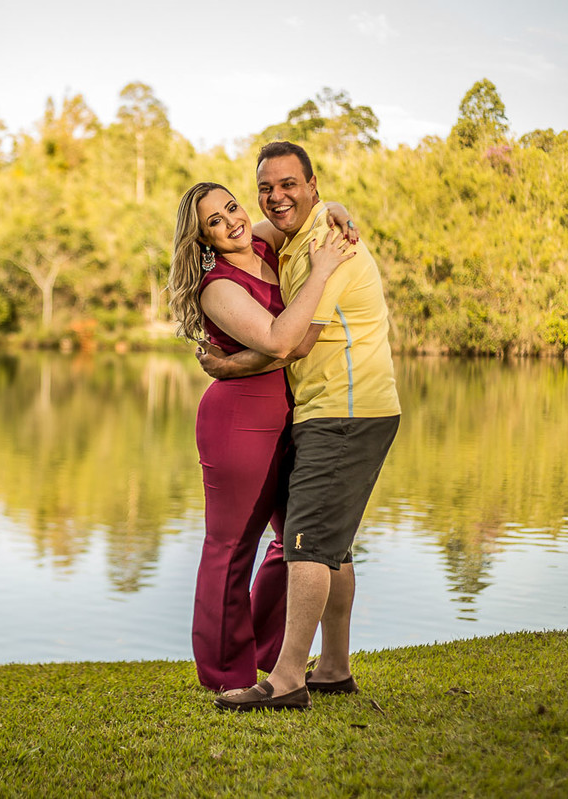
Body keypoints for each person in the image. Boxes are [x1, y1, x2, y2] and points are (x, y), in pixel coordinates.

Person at [204, 141, 401, 711]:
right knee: (332, 546)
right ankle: (334, 668)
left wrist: (227, 365)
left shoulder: (325, 245)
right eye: (266, 187)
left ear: (312, 184)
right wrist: (334, 202)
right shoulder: (297, 236)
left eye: (290, 184)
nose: (276, 197)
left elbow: (293, 341)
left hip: (344, 407)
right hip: (342, 405)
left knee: (307, 543)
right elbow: (252, 229)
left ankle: (288, 677)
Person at [168, 181, 357, 692]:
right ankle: (224, 671)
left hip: (294, 412)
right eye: (214, 221)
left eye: (231, 207)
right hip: (239, 422)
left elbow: (313, 215)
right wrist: (321, 272)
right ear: (202, 239)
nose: (230, 221)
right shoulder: (218, 286)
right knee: (230, 546)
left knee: (296, 538)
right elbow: (280, 340)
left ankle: (267, 655)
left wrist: (336, 208)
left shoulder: (262, 242)